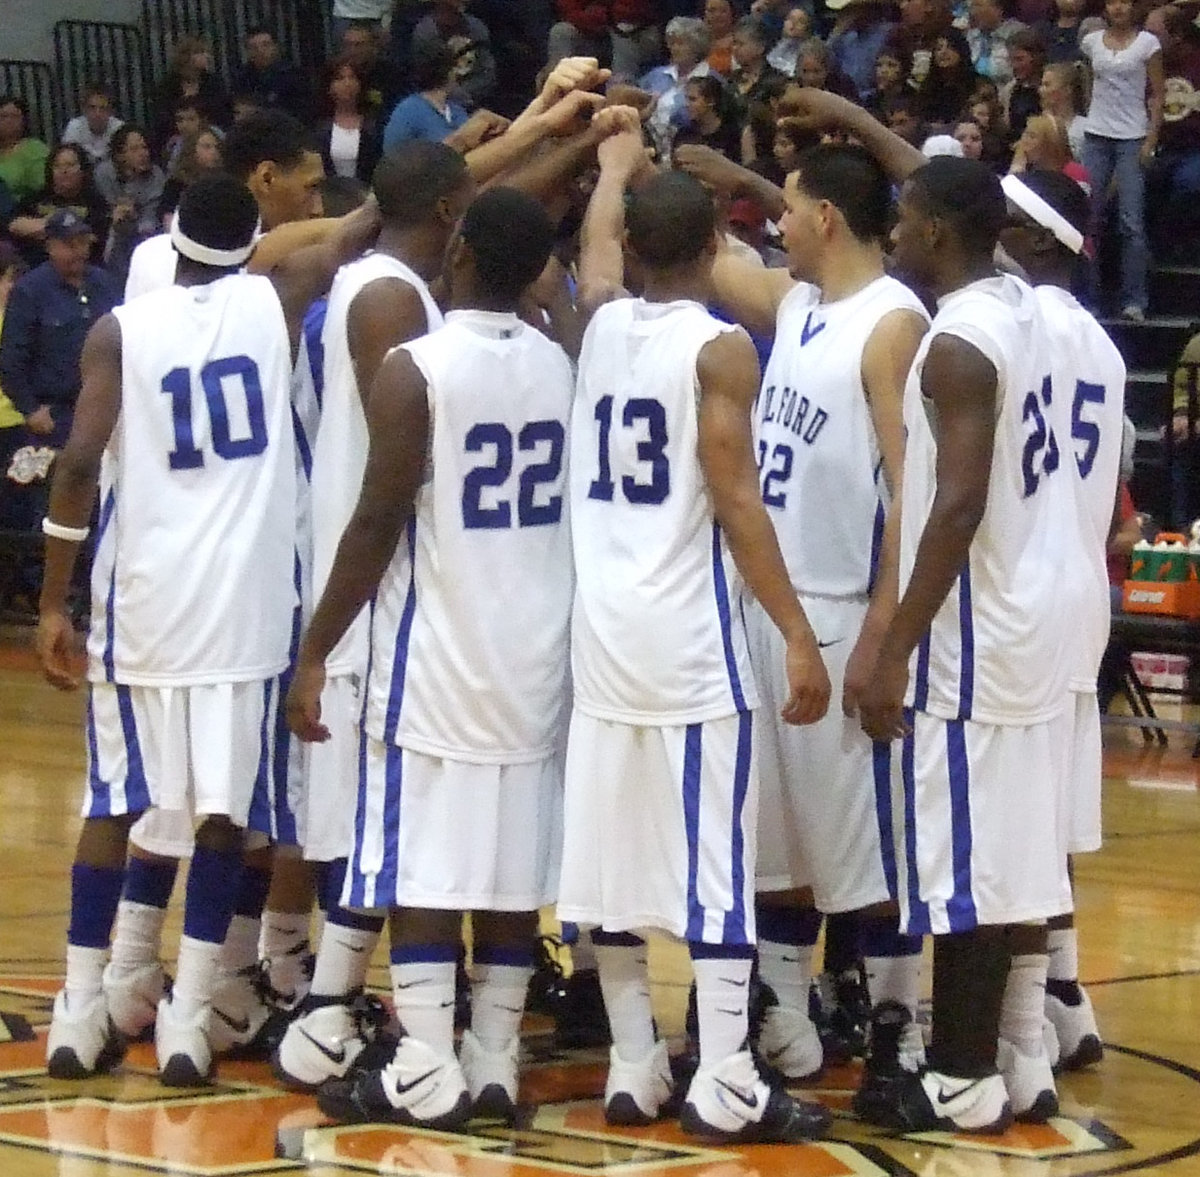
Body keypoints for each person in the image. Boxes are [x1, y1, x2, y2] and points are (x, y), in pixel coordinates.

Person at [36, 173, 380, 1086]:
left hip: (142, 603)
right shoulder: (277, 304)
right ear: (254, 238)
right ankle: (188, 1016)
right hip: (246, 612)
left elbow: (75, 467)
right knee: (226, 814)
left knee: (115, 800)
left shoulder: (120, 329)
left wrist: (48, 604)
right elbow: (361, 228)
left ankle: (82, 1005)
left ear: (172, 237)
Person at [556, 139, 833, 1142]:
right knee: (715, 864)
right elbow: (737, 497)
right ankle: (723, 1073)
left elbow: (591, 254)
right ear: (719, 243)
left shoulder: (596, 326)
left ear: (633, 244)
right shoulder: (721, 349)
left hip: (602, 638)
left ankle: (634, 1061)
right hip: (685, 641)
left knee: (613, 861)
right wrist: (798, 630)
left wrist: (613, 164)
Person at [286, 186, 574, 1128]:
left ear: (456, 248)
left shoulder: (416, 369)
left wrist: (317, 645)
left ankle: (420, 1061)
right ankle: (492, 1056)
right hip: (535, 648)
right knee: (505, 868)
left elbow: (375, 520)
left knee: (422, 866)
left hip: (439, 650)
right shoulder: (564, 365)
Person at [678, 114, 933, 1107]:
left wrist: (881, 631)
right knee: (774, 848)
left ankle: (899, 1036)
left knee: (866, 854)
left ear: (825, 217)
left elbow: (914, 492)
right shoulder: (802, 304)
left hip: (840, 613)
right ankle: (781, 1023)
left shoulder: (893, 324)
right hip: (773, 611)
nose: (774, 223)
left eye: (787, 209)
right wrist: (676, 169)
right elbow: (704, 261)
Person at [857, 155, 1073, 1132]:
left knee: (964, 869)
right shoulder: (1026, 307)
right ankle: (1014, 1067)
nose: (896, 234)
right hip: (1033, 615)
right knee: (1016, 860)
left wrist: (896, 642)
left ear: (937, 232)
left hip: (975, 628)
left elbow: (956, 502)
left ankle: (957, 1072)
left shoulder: (956, 344)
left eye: (904, 219)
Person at [272, 141, 469, 1094]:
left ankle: (334, 997)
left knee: (371, 820)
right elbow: (394, 484)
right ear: (444, 207)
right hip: (366, 595)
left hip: (366, 587)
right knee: (367, 824)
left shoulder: (378, 280)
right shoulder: (390, 300)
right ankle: (326, 1007)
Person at [997, 167, 1122, 1097]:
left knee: (1025, 828)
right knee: (1053, 822)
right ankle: (1068, 996)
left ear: (1035, 240)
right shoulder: (1109, 351)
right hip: (1083, 586)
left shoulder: (1020, 326)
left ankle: (1028, 1026)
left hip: (1026, 591)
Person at [124, 110, 324, 300]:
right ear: (267, 178)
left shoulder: (149, 254)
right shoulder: (155, 258)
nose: (318, 209)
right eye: (310, 188)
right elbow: (265, 252)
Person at [0, 210, 120, 451]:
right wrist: (30, 409)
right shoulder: (30, 291)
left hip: (104, 406)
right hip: (55, 414)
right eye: (69, 245)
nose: (78, 252)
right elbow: (11, 359)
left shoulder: (103, 282)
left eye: (82, 243)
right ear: (50, 246)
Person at [1080, 0, 1163, 321]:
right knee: (1090, 218)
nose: (1118, 8)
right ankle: (1090, 296)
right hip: (1097, 134)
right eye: (1112, 2)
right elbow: (1088, 81)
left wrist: (1151, 139)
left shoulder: (1148, 44)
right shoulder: (1091, 42)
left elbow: (1157, 94)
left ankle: (1135, 300)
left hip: (1132, 136)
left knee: (1131, 221)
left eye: (1124, 2)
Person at [1144, 5, 1200, 262]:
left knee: (1188, 183)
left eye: (1153, 34)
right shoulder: (1147, 65)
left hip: (1194, 148)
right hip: (1157, 146)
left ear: (1176, 35)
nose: (1146, 40)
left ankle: (1177, 246)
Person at [7, 145, 109, 267]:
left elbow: (91, 238)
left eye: (70, 165)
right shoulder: (35, 198)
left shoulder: (95, 202)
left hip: (81, 266)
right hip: (35, 265)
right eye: (57, 166)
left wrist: (42, 227)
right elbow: (14, 225)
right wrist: (62, 228)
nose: (64, 171)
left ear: (82, 170)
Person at [94, 126, 166, 283]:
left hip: (143, 234)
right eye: (134, 149)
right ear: (119, 155)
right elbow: (100, 209)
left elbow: (151, 218)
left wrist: (135, 218)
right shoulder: (104, 173)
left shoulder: (156, 175)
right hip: (110, 235)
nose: (143, 154)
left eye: (144, 147)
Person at [640, 16, 716, 153]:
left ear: (697, 47)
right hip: (646, 144)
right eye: (672, 43)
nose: (674, 48)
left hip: (691, 146)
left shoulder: (711, 79)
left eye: (680, 44)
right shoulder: (656, 75)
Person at [150, 37, 232, 155]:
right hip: (176, 135)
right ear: (186, 57)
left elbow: (222, 112)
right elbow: (162, 117)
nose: (206, 56)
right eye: (200, 52)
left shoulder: (213, 82)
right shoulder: (168, 86)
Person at [382, 43, 472, 150]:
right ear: (449, 72)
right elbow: (392, 153)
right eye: (454, 68)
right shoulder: (408, 110)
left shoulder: (458, 111)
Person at [411, 0, 500, 107]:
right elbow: (427, 80)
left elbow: (487, 72)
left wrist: (466, 95)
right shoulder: (426, 33)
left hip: (476, 101)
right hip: (437, 103)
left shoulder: (477, 28)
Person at [547, 0, 662, 82]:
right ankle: (558, 90)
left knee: (623, 29)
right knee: (561, 31)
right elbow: (568, 9)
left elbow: (631, 11)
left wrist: (602, 14)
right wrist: (598, 18)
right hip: (595, 31)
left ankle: (618, 99)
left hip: (639, 33)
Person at [316, 57, 383, 183]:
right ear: (329, 86)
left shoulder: (375, 124)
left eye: (352, 77)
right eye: (340, 78)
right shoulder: (319, 127)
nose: (347, 83)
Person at [233, 27, 313, 122]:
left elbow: (302, 111)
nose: (260, 51)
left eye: (265, 45)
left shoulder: (294, 75)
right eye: (253, 47)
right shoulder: (242, 76)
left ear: (275, 47)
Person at [827, 0, 900, 97]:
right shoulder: (844, 39)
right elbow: (825, 63)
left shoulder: (889, 34)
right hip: (844, 99)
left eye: (851, 10)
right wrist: (837, 32)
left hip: (876, 100)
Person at [158, 129, 223, 224]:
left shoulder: (224, 182)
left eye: (216, 147)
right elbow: (168, 217)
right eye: (207, 147)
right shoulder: (176, 184)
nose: (214, 151)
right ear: (191, 150)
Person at [918, 29, 980, 125]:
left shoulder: (977, 84)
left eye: (950, 47)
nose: (943, 52)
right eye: (938, 48)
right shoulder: (928, 87)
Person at [674, 75, 743, 160]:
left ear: (711, 101)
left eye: (693, 99)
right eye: (686, 99)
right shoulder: (684, 134)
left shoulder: (732, 135)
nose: (687, 104)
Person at [0, 97, 51, 206]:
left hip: (22, 210)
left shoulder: (35, 149)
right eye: (3, 116)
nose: (9, 121)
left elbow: (44, 189)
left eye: (14, 116)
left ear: (24, 120)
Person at [965, 0, 1029, 84]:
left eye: (978, 5)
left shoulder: (1017, 33)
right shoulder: (971, 35)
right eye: (972, 6)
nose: (973, 12)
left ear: (998, 9)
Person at [1000, 27, 1046, 139]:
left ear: (1036, 57)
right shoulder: (1010, 90)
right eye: (1011, 60)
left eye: (1020, 59)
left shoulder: (1048, 89)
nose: (1014, 66)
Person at [61, 86, 124, 167]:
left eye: (102, 108)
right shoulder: (74, 127)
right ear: (84, 109)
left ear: (111, 111)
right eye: (92, 107)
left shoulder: (119, 129)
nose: (97, 113)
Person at [1039, 60, 1087, 159]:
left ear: (1067, 89)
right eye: (1042, 84)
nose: (1041, 90)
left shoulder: (1085, 128)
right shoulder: (1036, 124)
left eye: (1047, 85)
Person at [768, 6, 817, 76]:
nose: (793, 23)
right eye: (790, 19)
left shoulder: (809, 50)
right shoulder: (774, 42)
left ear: (808, 28)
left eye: (800, 21)